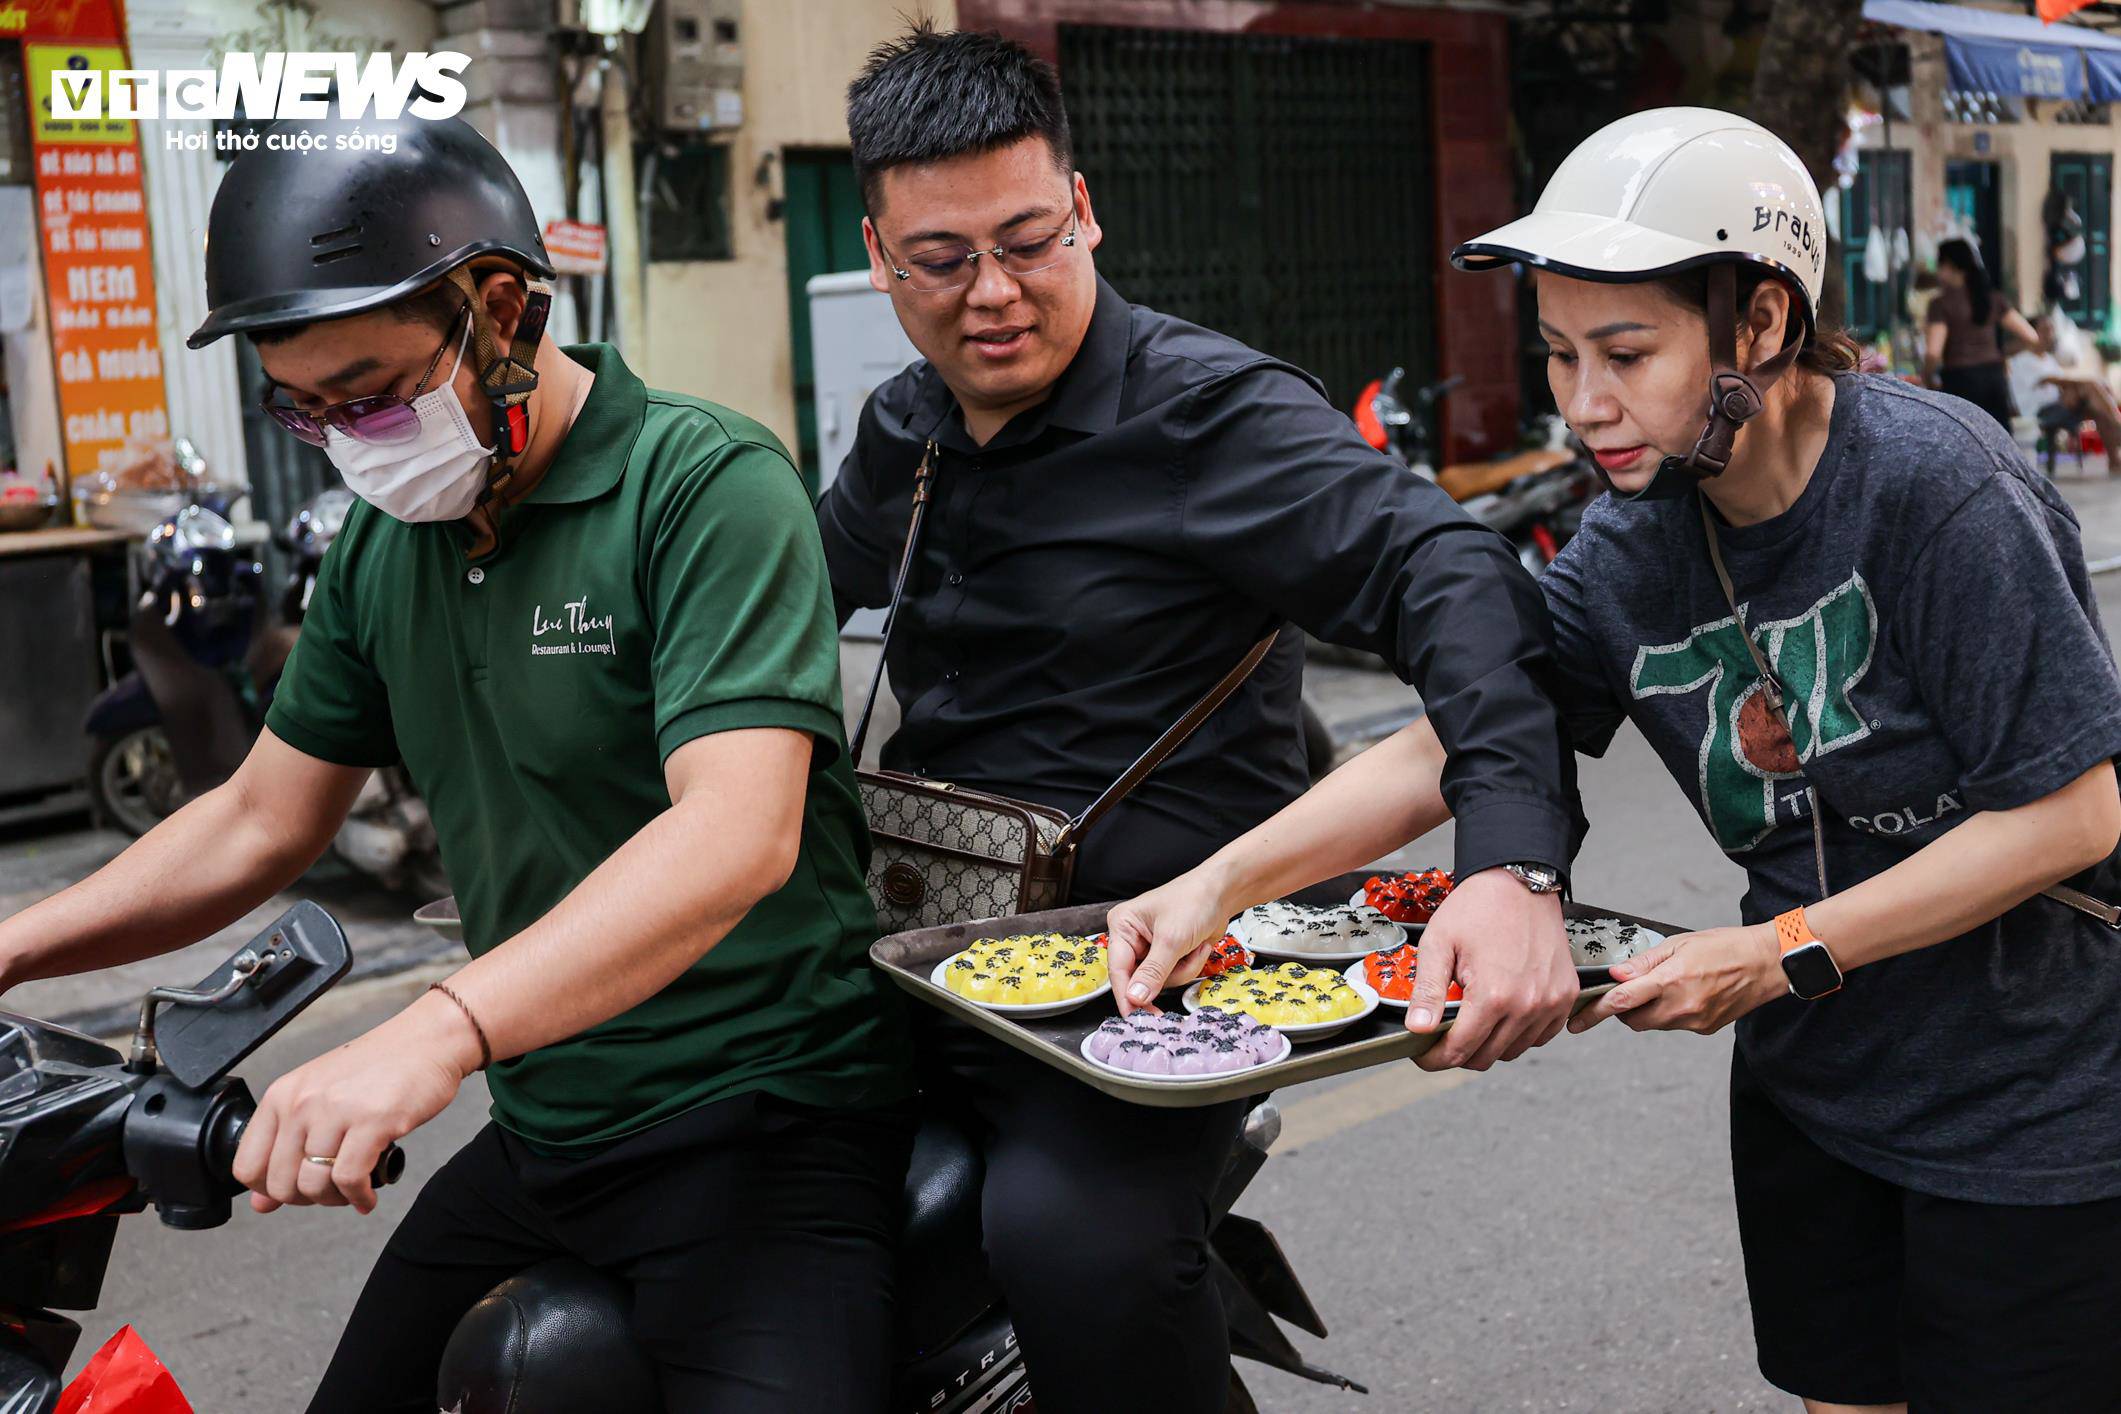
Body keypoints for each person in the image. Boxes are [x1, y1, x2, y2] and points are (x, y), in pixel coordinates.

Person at [1112, 108, 2121, 1413]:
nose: (1586, 407)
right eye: (1558, 355)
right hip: (1818, 1088)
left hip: (2036, 1107)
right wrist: (1219, 882)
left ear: (1758, 324)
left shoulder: (1938, 490)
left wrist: (1773, 951)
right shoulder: (1625, 545)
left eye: (1627, 353)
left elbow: (2069, 811)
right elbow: (1455, 742)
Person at [0, 115, 914, 1412]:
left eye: (369, 392)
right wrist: (16, 946)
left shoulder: (701, 485)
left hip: (771, 1122)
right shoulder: (388, 550)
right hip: (551, 1131)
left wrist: (443, 1025)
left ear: (500, 309)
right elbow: (261, 816)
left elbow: (738, 830)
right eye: (306, 412)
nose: (353, 437)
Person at [817, 24, 1583, 1413]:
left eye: (1029, 241)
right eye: (942, 260)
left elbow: (1448, 570)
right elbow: (766, 619)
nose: (992, 293)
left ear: (1086, 212)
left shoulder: (1209, 414)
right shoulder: (903, 432)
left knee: (1076, 1249)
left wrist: (1513, 858)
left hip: (1153, 962)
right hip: (924, 950)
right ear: (880, 254)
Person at [1922, 237, 2041, 432]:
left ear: (1949, 266)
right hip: (1993, 378)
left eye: (1940, 265)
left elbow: (1933, 352)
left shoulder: (1940, 304)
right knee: (1999, 442)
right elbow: (2031, 337)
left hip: (1961, 381)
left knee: (1964, 444)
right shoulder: (1993, 299)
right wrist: (2002, 353)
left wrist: (1927, 379)